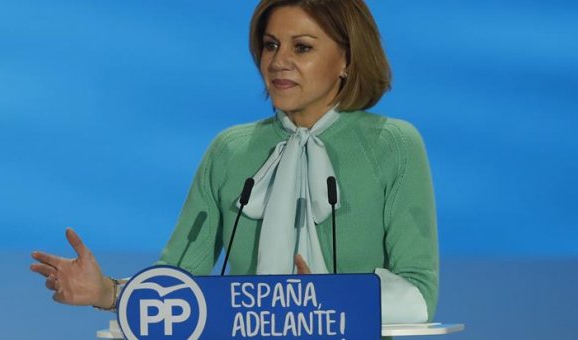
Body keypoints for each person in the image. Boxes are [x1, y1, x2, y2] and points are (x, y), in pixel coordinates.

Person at [31, 0, 438, 324]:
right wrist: (107, 293)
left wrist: (329, 304)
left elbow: (419, 293)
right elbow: (180, 277)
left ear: (347, 60)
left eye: (303, 47)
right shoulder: (231, 149)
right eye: (271, 44)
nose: (279, 61)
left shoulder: (394, 144)